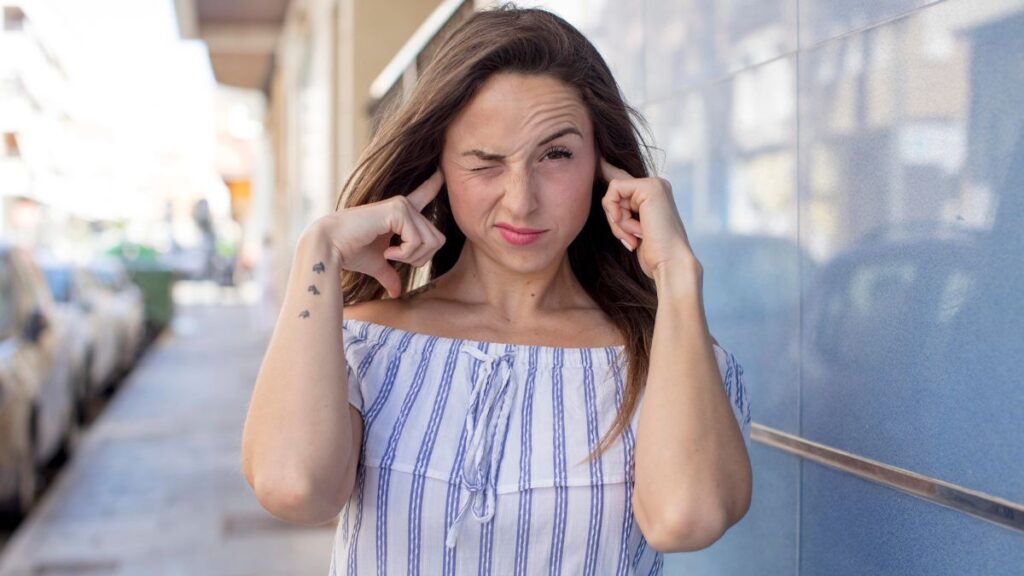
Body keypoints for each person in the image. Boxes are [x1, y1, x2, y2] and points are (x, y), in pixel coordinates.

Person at [241, 4, 752, 575]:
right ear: (438, 166)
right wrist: (319, 250)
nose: (521, 199)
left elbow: (688, 518)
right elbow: (293, 488)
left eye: (555, 155)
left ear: (604, 167)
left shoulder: (668, 357)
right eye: (484, 162)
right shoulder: (364, 344)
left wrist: (678, 274)